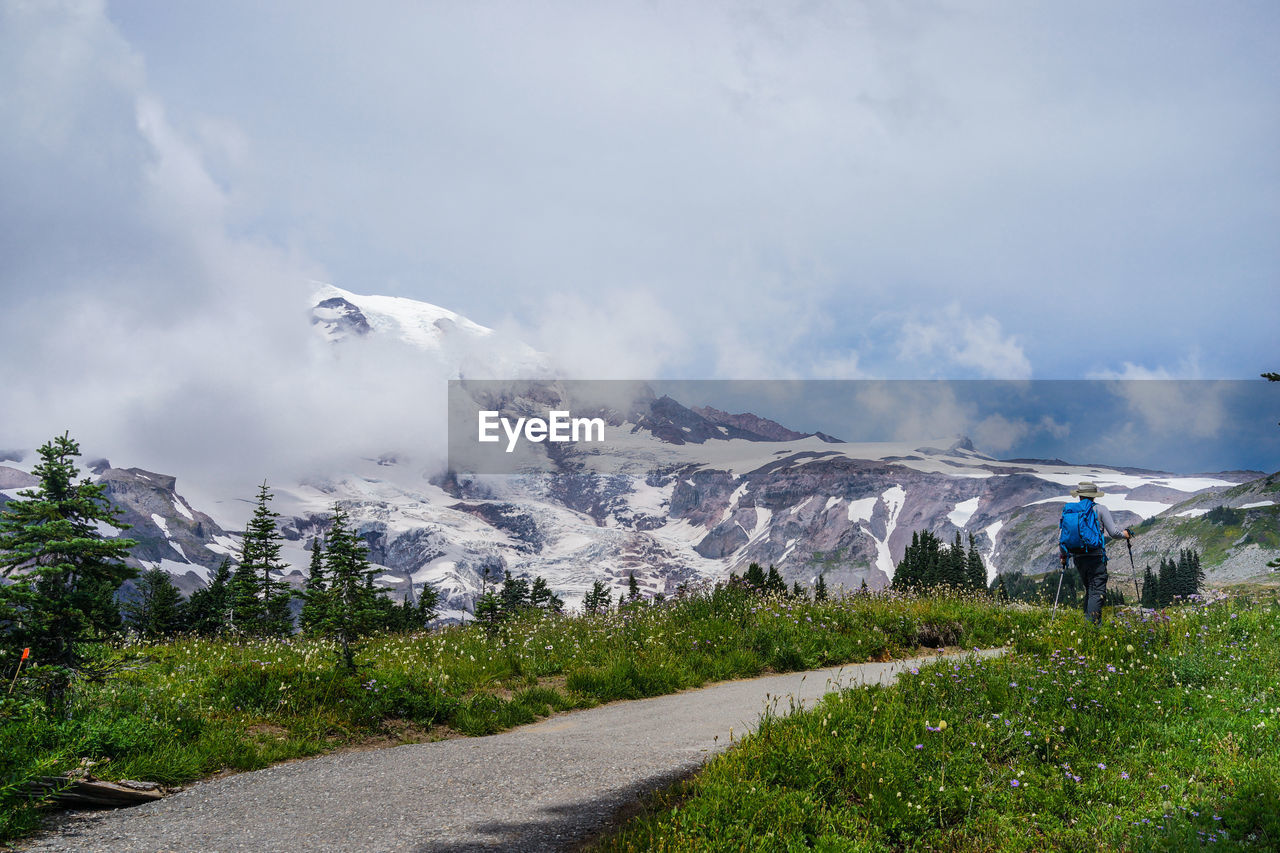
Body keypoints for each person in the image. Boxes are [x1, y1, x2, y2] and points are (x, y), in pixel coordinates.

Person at [1059, 481, 1132, 624]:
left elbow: (1062, 537)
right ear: (1094, 496)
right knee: (1097, 591)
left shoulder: (1070, 511)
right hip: (1095, 557)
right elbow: (1114, 533)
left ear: (1079, 496)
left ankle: (1087, 623)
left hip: (1078, 557)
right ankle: (1091, 628)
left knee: (1090, 589)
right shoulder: (1100, 509)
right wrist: (1125, 534)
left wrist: (1063, 556)